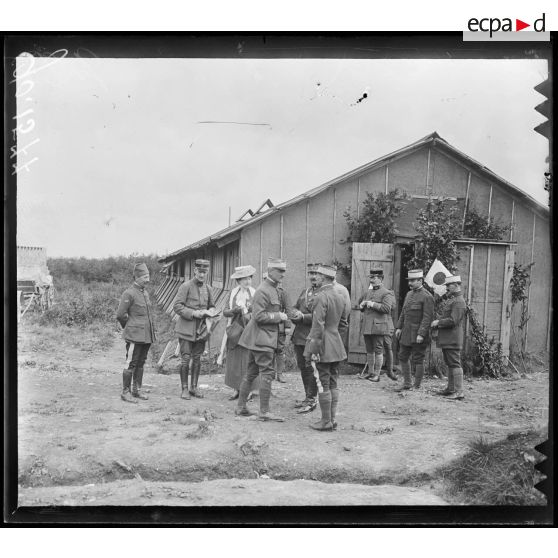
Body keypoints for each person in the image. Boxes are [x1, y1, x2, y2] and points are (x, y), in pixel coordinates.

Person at [235, 259, 291, 421]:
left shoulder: (271, 289)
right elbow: (258, 316)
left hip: (260, 337)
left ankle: (241, 407)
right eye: (280, 271)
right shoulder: (263, 290)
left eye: (284, 271)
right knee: (267, 372)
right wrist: (278, 316)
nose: (283, 274)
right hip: (262, 339)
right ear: (271, 271)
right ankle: (264, 411)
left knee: (251, 372)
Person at [304, 264, 349, 431]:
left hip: (322, 344)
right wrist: (337, 342)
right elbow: (343, 324)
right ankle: (332, 419)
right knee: (333, 382)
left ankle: (325, 421)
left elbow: (317, 327)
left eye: (318, 275)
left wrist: (314, 350)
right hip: (336, 344)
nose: (316, 278)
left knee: (322, 382)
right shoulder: (340, 296)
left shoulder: (320, 297)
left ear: (323, 278)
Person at [173, 259, 216, 399]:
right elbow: (177, 306)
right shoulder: (185, 286)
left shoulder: (208, 289)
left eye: (205, 272)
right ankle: (184, 389)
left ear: (207, 272)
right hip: (186, 328)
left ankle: (194, 387)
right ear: (195, 271)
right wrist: (193, 313)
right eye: (200, 271)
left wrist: (211, 312)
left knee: (197, 358)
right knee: (185, 359)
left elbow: (212, 305)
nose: (202, 275)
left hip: (201, 330)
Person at [116, 263, 156, 403]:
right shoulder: (129, 293)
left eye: (148, 276)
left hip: (146, 335)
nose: (147, 280)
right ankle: (125, 392)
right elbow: (121, 314)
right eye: (145, 277)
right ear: (137, 277)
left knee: (141, 363)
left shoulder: (144, 292)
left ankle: (136, 390)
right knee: (131, 363)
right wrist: (129, 327)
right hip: (134, 335)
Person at [222, 265, 259, 400]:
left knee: (248, 359)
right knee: (235, 361)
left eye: (249, 278)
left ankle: (248, 389)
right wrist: (235, 310)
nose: (247, 281)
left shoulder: (255, 293)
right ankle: (236, 388)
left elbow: (258, 313)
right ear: (238, 281)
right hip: (235, 331)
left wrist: (248, 313)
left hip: (249, 330)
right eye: (244, 279)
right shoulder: (233, 293)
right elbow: (225, 311)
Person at [395, 269, 434, 391]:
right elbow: (403, 312)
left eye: (413, 280)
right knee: (402, 356)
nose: (410, 283)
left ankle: (416, 385)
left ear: (420, 280)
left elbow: (428, 317)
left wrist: (421, 334)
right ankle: (407, 383)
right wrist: (399, 327)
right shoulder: (409, 294)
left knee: (418, 359)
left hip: (418, 334)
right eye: (409, 280)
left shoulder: (427, 296)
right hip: (406, 333)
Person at [430, 274, 467, 400]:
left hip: (453, 337)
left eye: (448, 285)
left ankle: (459, 391)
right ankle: (451, 389)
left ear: (456, 285)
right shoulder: (453, 299)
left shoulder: (459, 301)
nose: (446, 287)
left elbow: (453, 320)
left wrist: (438, 322)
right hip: (448, 337)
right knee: (450, 363)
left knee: (455, 363)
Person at [358, 267, 397, 382]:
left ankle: (377, 374)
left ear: (381, 279)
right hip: (367, 325)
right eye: (371, 277)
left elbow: (387, 309)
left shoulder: (387, 293)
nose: (372, 280)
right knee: (369, 350)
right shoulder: (368, 292)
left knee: (378, 350)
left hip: (379, 326)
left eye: (374, 278)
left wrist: (372, 304)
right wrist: (362, 305)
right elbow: (362, 304)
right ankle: (370, 372)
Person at [290, 263, 320, 414]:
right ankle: (307, 396)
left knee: (311, 368)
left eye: (316, 273)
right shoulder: (305, 291)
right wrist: (294, 313)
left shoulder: (323, 294)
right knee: (303, 368)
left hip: (312, 336)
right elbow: (295, 306)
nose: (313, 276)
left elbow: (320, 316)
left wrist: (303, 317)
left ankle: (312, 399)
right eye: (311, 273)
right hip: (299, 337)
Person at [262, 272, 294, 383]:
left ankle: (279, 374)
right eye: (265, 279)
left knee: (279, 350)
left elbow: (289, 310)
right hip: (266, 326)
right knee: (268, 350)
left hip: (279, 326)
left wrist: (287, 326)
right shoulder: (262, 292)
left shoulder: (282, 293)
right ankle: (269, 373)